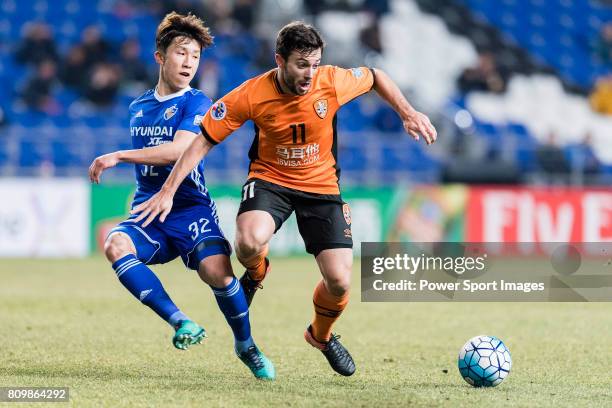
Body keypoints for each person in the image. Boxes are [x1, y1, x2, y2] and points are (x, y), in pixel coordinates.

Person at [131, 21, 437, 377]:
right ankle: (257, 272)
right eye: (301, 64)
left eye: (315, 64)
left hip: (321, 186)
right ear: (280, 60)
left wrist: (408, 112)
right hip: (270, 180)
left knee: (340, 281)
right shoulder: (251, 93)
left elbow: (375, 75)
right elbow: (201, 142)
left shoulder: (332, 81)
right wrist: (168, 190)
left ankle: (320, 336)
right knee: (247, 243)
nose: (310, 73)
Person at [87, 12, 274, 380]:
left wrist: (119, 155)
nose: (189, 62)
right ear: (160, 56)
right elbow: (153, 165)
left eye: (195, 56)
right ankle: (181, 322)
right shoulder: (138, 107)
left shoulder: (198, 102)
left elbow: (179, 150)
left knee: (216, 272)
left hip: (190, 208)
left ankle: (246, 346)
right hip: (150, 210)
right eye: (181, 53)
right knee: (115, 244)